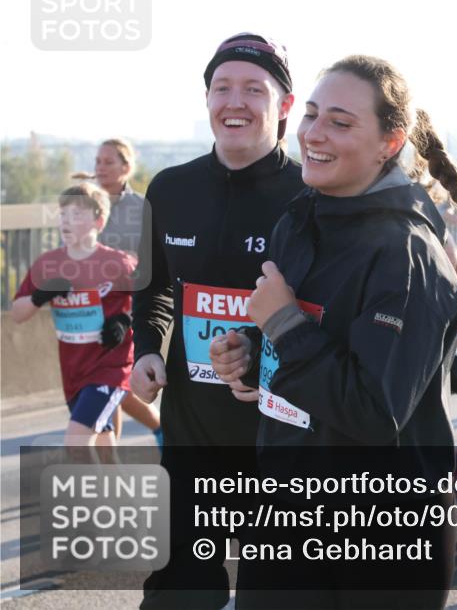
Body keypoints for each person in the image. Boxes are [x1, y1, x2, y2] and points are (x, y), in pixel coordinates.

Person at [209, 54, 457, 608]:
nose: (314, 133)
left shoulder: (405, 254)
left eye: (340, 122)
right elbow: (311, 334)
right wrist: (251, 350)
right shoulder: (298, 219)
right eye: (312, 115)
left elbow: (373, 410)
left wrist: (283, 325)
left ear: (390, 143)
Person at [132, 32, 303, 610]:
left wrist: (261, 354)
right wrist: (148, 348)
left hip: (280, 443)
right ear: (206, 99)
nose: (235, 101)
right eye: (222, 87)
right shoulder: (170, 189)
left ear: (284, 104)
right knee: (177, 596)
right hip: (190, 440)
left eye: (254, 89)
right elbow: (154, 287)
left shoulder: (310, 197)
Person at [11, 183, 135, 460]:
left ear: (98, 222)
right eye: (63, 214)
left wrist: (124, 321)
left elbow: (154, 301)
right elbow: (18, 313)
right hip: (74, 369)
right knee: (104, 443)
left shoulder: (118, 263)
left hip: (111, 367)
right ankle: (116, 485)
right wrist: (40, 295)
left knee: (76, 441)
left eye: (76, 214)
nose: (66, 221)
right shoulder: (48, 264)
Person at [90, 137, 163, 447]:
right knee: (110, 387)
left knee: (109, 384)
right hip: (90, 310)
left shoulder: (141, 208)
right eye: (98, 161)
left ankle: (112, 461)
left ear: (127, 167)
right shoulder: (86, 203)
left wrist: (128, 313)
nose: (101, 167)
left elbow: (151, 265)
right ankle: (161, 431)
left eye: (108, 161)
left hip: (126, 311)